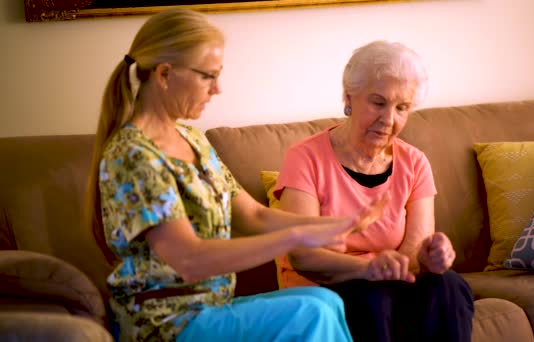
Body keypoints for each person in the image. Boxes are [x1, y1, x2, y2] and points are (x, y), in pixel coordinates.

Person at [86, 9, 390, 342]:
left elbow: (254, 215)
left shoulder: (193, 140)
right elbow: (190, 260)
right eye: (207, 76)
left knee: (325, 301)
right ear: (164, 74)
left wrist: (340, 224)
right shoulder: (134, 155)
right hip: (165, 323)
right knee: (311, 313)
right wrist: (293, 239)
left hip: (210, 309)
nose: (217, 89)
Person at [274, 40, 475, 342]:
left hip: (391, 284)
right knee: (373, 297)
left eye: (402, 108)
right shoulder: (305, 158)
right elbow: (303, 256)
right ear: (348, 97)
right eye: (378, 103)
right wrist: (369, 268)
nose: (389, 119)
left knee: (449, 285)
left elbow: (413, 253)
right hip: (326, 288)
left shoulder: (415, 163)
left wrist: (431, 256)